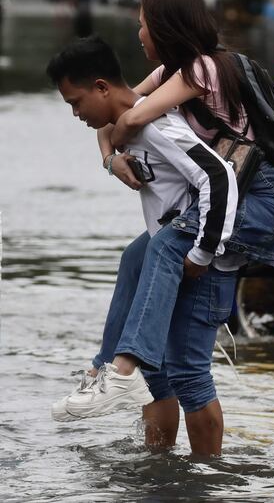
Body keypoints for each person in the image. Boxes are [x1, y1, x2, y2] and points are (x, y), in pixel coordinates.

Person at [52, 0, 274, 454]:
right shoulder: (170, 72)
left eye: (142, 24)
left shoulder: (204, 68)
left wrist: (202, 253)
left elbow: (128, 118)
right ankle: (112, 378)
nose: (138, 32)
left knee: (185, 358)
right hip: (220, 196)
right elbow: (117, 111)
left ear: (165, 27)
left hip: (257, 194)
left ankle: (128, 377)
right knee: (137, 257)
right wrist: (111, 158)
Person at [47, 35, 239, 456]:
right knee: (158, 375)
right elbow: (108, 130)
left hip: (198, 256)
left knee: (190, 375)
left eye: (76, 103)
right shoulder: (128, 126)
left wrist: (203, 252)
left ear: (101, 87)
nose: (76, 114)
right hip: (173, 253)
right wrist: (109, 159)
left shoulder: (154, 125)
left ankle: (209, 477)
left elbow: (219, 176)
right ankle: (158, 468)